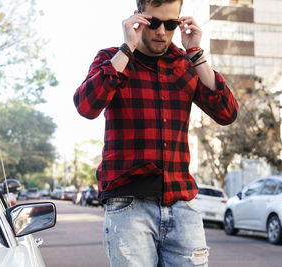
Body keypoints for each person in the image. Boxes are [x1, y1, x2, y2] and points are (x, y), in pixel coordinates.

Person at [73, 0, 238, 266]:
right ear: (138, 17)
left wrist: (195, 52)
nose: (162, 31)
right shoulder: (111, 58)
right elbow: (86, 106)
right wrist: (127, 48)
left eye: (170, 24)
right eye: (154, 23)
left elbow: (227, 113)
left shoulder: (186, 65)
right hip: (128, 206)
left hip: (181, 204)